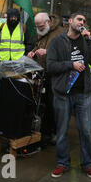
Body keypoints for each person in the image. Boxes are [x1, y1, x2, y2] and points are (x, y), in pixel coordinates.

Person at [47, 12, 91, 179]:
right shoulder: (57, 41)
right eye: (79, 19)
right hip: (63, 94)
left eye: (84, 20)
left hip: (83, 94)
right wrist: (71, 64)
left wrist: (89, 40)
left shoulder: (86, 40)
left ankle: (88, 164)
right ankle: (62, 163)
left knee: (86, 131)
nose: (82, 22)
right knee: (62, 131)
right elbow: (51, 66)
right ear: (70, 21)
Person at [0, 8, 33, 118]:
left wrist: (23, 58)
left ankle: (12, 113)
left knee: (15, 89)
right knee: (0, 89)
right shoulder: (0, 27)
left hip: (17, 65)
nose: (13, 19)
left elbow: (29, 44)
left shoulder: (23, 28)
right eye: (11, 17)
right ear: (7, 17)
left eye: (15, 17)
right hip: (2, 63)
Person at [28, 12, 65, 145]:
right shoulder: (41, 31)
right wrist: (33, 51)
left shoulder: (61, 32)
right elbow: (38, 45)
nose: (39, 28)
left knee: (54, 106)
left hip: (56, 75)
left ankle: (55, 132)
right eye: (37, 26)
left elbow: (66, 52)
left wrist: (48, 52)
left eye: (41, 26)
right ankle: (45, 132)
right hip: (42, 73)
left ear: (48, 22)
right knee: (42, 105)